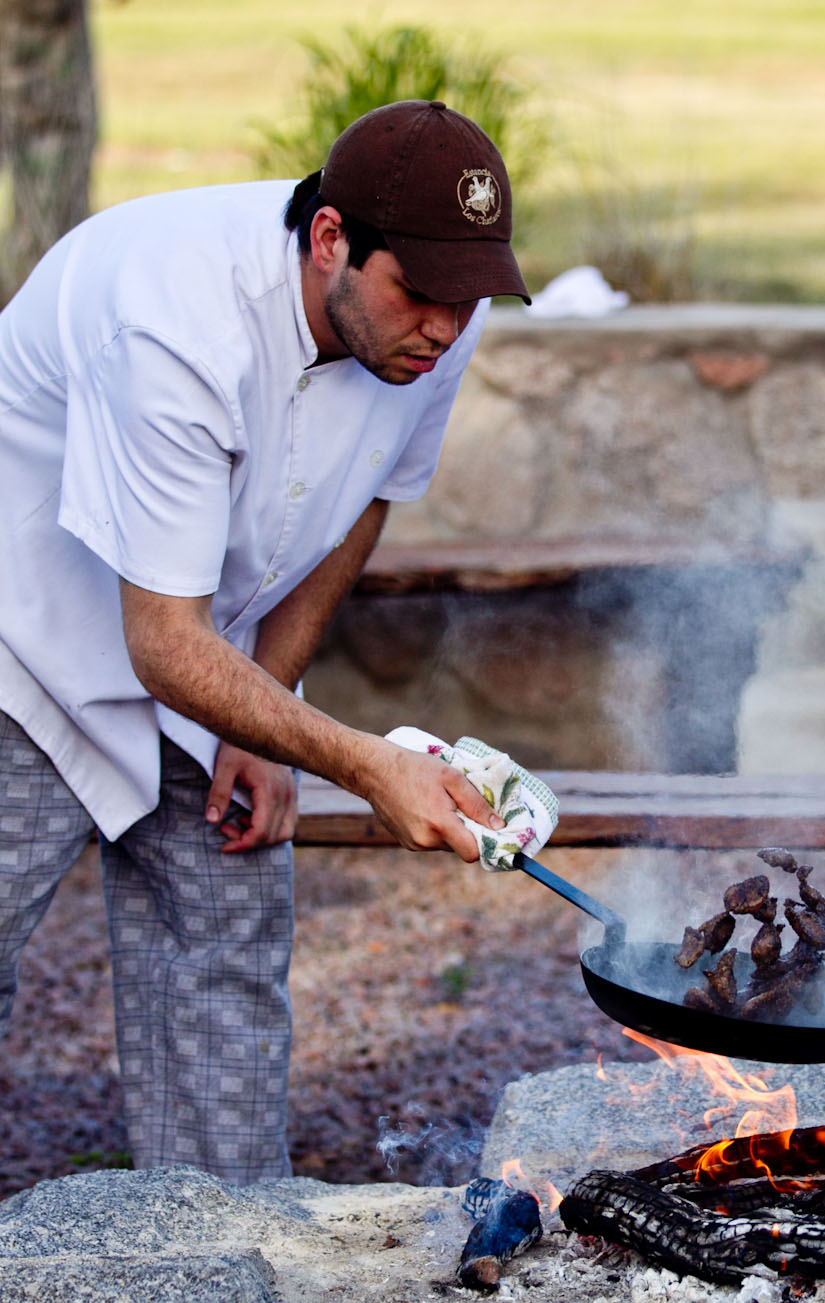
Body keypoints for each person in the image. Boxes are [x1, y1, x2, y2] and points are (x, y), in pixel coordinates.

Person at [0, 99, 532, 1184]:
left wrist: (269, 702)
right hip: (26, 645)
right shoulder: (170, 319)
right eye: (417, 293)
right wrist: (356, 758)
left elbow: (371, 492)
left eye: (465, 297)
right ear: (329, 239)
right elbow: (160, 644)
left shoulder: (439, 322)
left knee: (227, 966)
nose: (443, 325)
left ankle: (217, 1270)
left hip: (212, 650)